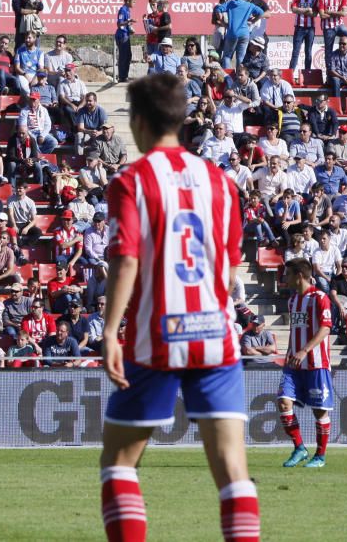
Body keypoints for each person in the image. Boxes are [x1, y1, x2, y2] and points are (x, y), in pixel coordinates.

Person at [99, 73, 258, 542]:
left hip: (158, 336)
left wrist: (110, 332)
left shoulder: (132, 180)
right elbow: (231, 272)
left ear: (141, 121)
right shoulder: (220, 181)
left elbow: (125, 257)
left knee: (120, 464)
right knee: (232, 469)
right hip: (216, 336)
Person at [278, 257, 334, 470]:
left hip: (316, 363)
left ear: (299, 276)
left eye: (288, 274)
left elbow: (326, 328)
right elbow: (296, 331)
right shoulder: (293, 301)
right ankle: (299, 447)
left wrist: (304, 350)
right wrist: (292, 352)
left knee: (319, 411)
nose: (285, 278)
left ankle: (320, 456)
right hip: (293, 363)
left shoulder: (320, 297)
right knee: (283, 402)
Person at [115, 0, 137, 82]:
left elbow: (125, 23)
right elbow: (119, 24)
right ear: (128, 1)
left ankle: (125, 76)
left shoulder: (127, 10)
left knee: (128, 56)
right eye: (134, 2)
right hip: (122, 36)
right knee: (124, 56)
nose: (134, 4)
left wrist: (130, 29)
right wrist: (129, 21)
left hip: (126, 35)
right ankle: (122, 77)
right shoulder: (122, 10)